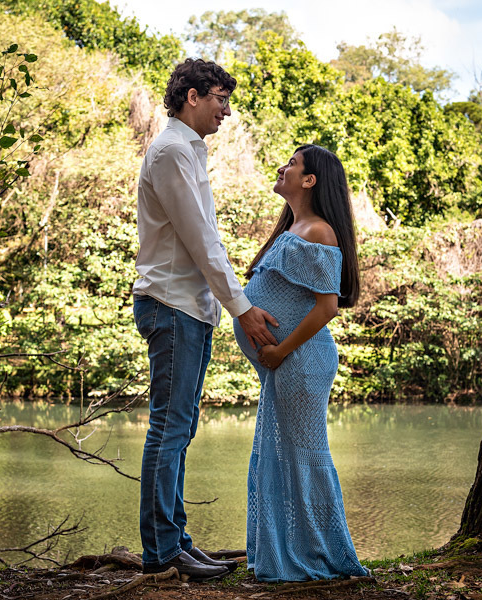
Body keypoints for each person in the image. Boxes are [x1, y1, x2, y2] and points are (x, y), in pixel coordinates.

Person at [132, 58, 279, 581]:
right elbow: (202, 243)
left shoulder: (187, 150)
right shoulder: (172, 151)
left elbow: (204, 240)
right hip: (171, 305)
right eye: (220, 99)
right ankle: (162, 553)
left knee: (180, 427)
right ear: (192, 97)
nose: (227, 111)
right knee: (169, 429)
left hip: (188, 308)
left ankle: (176, 542)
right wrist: (243, 309)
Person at [233, 144, 368, 582]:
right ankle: (282, 553)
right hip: (286, 363)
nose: (283, 167)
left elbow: (327, 307)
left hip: (301, 361)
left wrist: (280, 350)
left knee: (304, 458)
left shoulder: (320, 232)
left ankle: (322, 554)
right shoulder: (295, 228)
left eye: (292, 164)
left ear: (310, 180)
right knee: (278, 456)